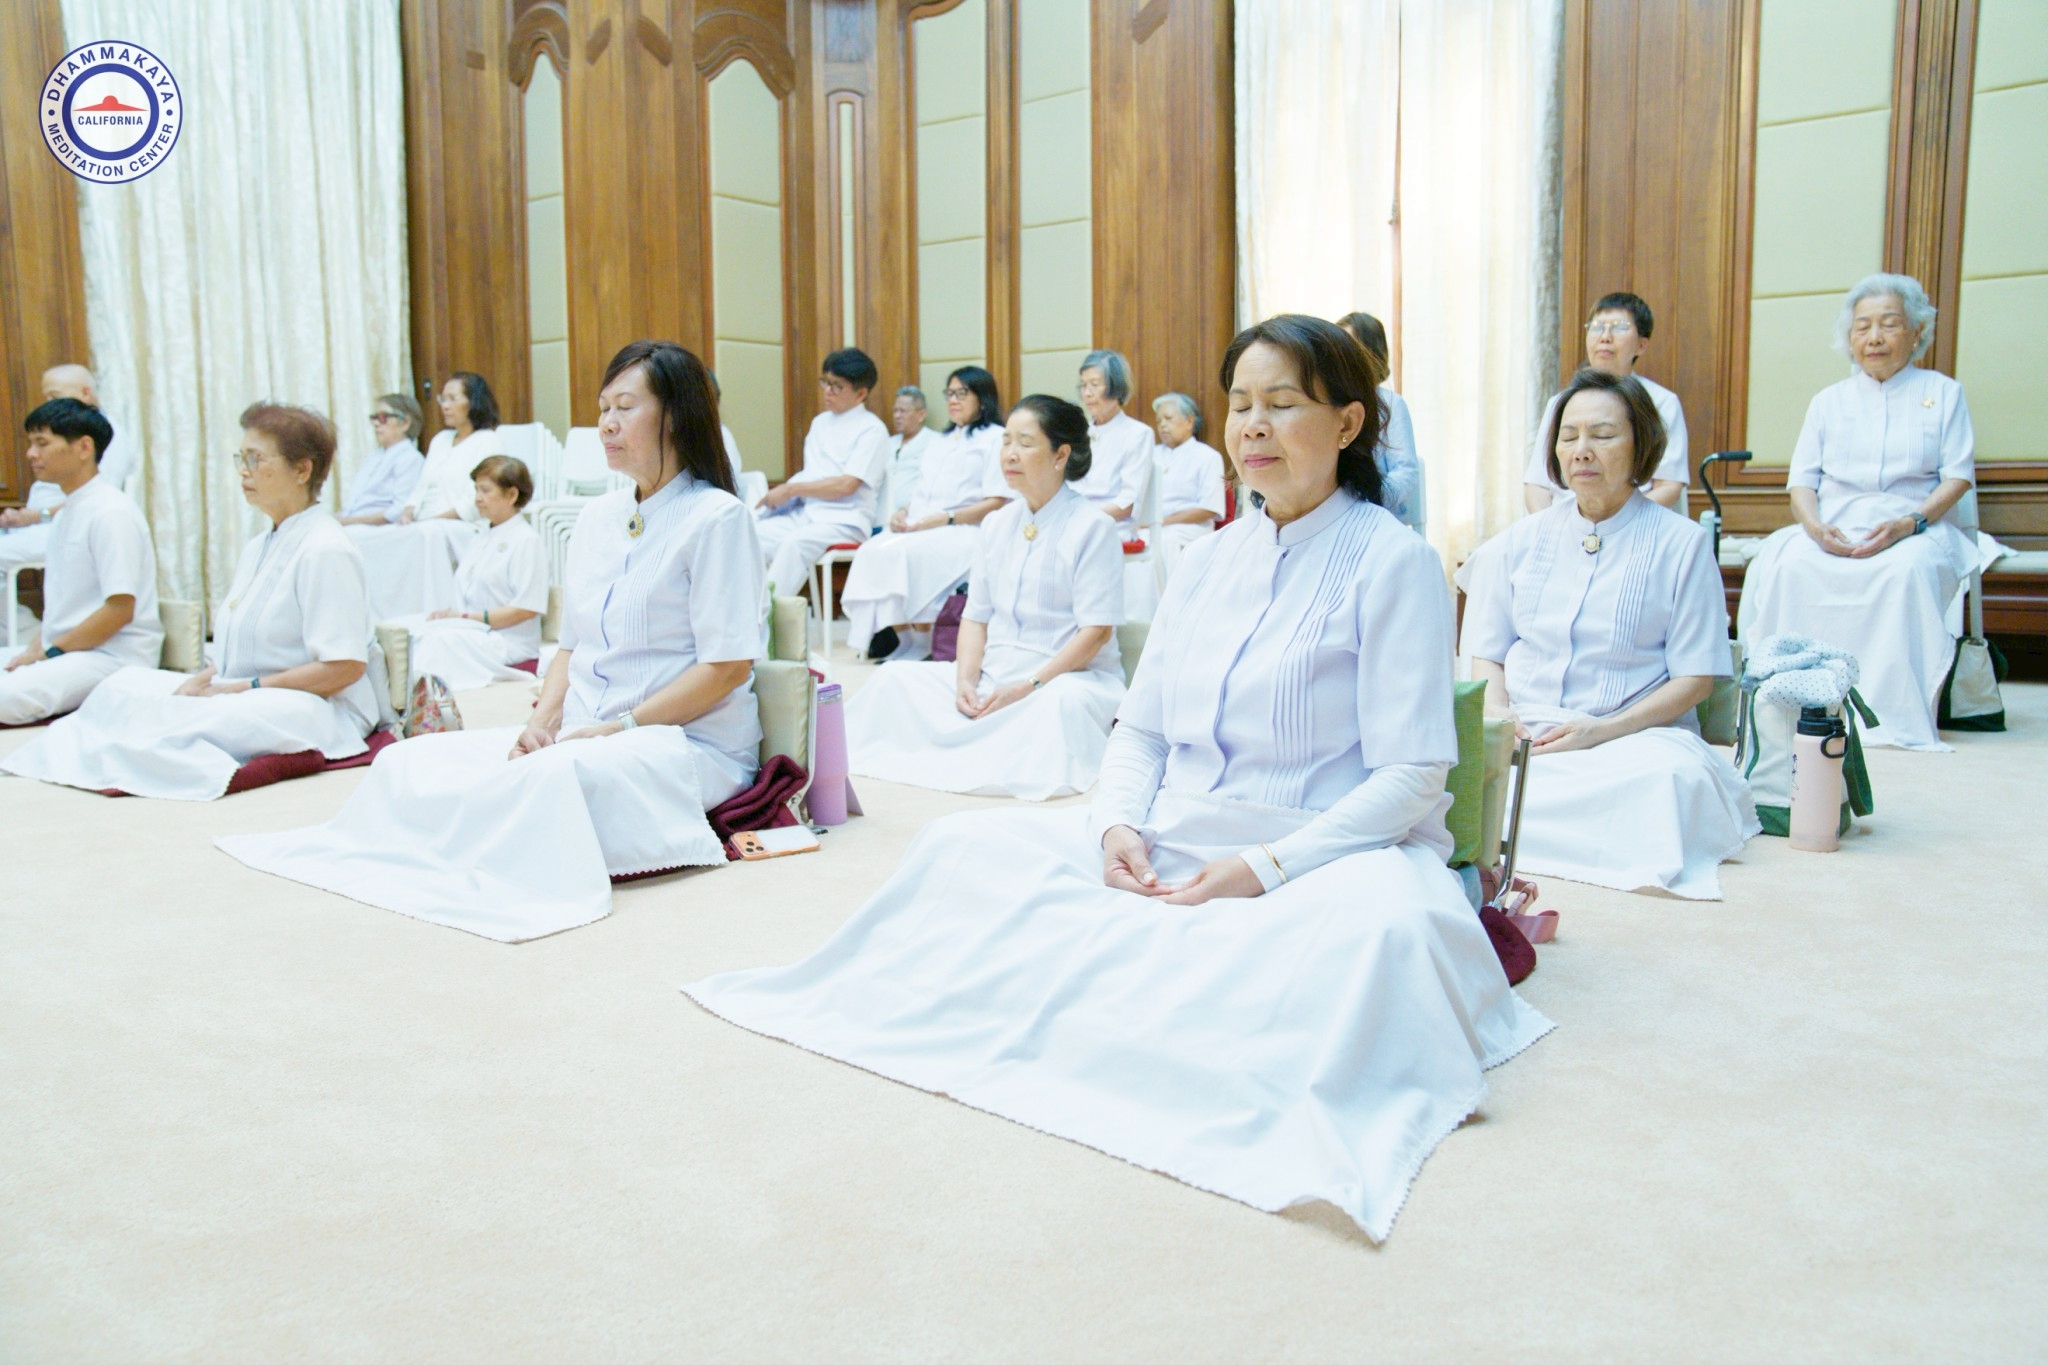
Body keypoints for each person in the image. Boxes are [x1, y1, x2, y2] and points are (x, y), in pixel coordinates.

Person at [688, 316, 1550, 1243]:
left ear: (1347, 423)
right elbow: (1139, 726)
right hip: (1177, 826)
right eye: (1242, 404)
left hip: (1331, 847)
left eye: (1281, 404)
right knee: (958, 852)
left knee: (1371, 944)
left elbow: (1415, 774)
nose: (1252, 426)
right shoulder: (1210, 558)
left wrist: (1265, 867)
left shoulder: (1398, 561)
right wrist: (1115, 829)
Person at [217, 342, 765, 943]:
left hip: (681, 743)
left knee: (549, 783)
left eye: (625, 407)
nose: (606, 423)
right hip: (587, 733)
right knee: (406, 760)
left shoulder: (716, 518)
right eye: (602, 406)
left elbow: (726, 667)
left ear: (676, 416)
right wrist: (547, 722)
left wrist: (620, 727)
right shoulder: (596, 519)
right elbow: (570, 645)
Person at [1463, 369, 1756, 899]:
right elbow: (1485, 651)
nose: (1581, 450)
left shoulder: (1681, 544)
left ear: (1641, 446)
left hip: (1634, 737)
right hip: (1527, 730)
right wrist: (1502, 717)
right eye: (1569, 436)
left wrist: (1602, 731)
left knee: (1664, 782)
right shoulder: (1518, 541)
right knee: (1446, 767)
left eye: (1602, 435)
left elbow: (1696, 678)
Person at [5, 404, 376, 800]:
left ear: (302, 470)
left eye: (255, 459)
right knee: (122, 690)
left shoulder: (326, 548)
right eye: (241, 458)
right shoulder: (259, 545)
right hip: (253, 691)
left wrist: (245, 686)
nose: (243, 471)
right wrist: (214, 676)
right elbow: (252, 644)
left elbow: (344, 666)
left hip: (315, 708)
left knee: (180, 724)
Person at [1737, 273, 1975, 751]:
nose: (1875, 337)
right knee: (1787, 566)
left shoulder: (1943, 392)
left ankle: (1891, 716)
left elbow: (1957, 477)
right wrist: (1814, 527)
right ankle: (1784, 706)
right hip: (1832, 525)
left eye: (1889, 324)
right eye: (1863, 326)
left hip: (1913, 527)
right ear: (1849, 338)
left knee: (1904, 572)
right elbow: (1802, 481)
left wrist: (1909, 524)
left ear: (1916, 332)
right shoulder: (1828, 402)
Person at [844, 394, 1124, 800]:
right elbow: (975, 618)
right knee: (892, 679)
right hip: (996, 673)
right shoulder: (996, 524)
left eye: (1025, 443)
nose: (1010, 453)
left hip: (1066, 678)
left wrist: (1028, 686)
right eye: (1006, 441)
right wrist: (964, 680)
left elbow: (1096, 633)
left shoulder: (1092, 527)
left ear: (1061, 454)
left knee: (1058, 707)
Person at [0, 400, 161, 724]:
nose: (31, 453)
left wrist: (49, 652)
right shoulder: (69, 510)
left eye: (42, 443)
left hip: (111, 658)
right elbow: (64, 608)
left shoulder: (111, 512)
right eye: (31, 443)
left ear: (84, 447)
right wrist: (36, 649)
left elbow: (119, 609)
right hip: (67, 651)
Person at [841, 368, 1008, 661]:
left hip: (964, 527)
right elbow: (921, 492)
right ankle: (904, 639)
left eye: (961, 393)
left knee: (908, 556)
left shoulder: (995, 438)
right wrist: (901, 513)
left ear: (982, 398)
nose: (953, 400)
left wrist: (947, 518)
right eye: (949, 394)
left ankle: (925, 641)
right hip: (922, 524)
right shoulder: (939, 441)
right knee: (872, 551)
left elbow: (997, 500)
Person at [348, 372, 503, 620]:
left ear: (472, 402)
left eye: (453, 398)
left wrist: (437, 518)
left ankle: (434, 614)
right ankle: (387, 616)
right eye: (443, 398)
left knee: (426, 533)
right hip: (425, 522)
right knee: (381, 538)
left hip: (463, 524)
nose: (445, 405)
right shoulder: (440, 440)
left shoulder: (487, 441)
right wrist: (409, 509)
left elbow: (478, 497)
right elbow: (421, 486)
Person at [390, 455, 548, 693]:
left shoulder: (527, 540)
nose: (477, 498)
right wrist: (453, 617)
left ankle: (420, 702)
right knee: (408, 628)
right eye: (476, 490)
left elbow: (526, 608)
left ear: (512, 495)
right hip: (474, 630)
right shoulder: (480, 536)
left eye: (485, 490)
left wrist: (466, 618)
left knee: (437, 641)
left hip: (508, 642)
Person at [1523, 293, 1689, 512]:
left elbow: (1669, 486)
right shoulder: (1560, 402)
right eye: (1597, 326)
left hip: (1631, 526)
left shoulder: (1662, 402)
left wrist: (1613, 526)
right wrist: (1549, 532)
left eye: (1619, 327)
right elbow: (1537, 484)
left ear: (1641, 345)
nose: (1605, 336)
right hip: (1564, 524)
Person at [754, 348, 891, 598]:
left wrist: (791, 489)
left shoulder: (872, 430)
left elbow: (846, 485)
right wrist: (781, 497)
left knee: (794, 545)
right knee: (751, 536)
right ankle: (740, 611)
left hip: (844, 521)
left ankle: (764, 622)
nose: (828, 391)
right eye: (825, 383)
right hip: (807, 514)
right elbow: (812, 473)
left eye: (837, 386)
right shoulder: (820, 423)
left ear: (861, 393)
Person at [0, 366, 142, 587]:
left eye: (54, 396)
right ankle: (17, 622)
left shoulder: (111, 509)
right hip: (51, 524)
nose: (48, 403)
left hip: (58, 525)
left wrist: (37, 515)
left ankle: (19, 623)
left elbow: (95, 495)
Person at [1337, 311, 1425, 530]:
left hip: (1376, 519)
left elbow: (1407, 471)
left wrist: (1368, 501)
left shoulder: (1391, 404)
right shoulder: (1328, 404)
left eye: (1350, 348)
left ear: (1371, 354)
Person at [1148, 391, 1227, 581]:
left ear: (1189, 421)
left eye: (1168, 418)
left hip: (1190, 530)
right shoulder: (1151, 454)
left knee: (1164, 540)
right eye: (1159, 421)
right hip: (1153, 527)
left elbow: (1209, 508)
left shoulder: (1208, 457)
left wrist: (1161, 523)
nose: (1162, 426)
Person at [1072, 350, 1152, 534]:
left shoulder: (1137, 434)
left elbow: (1128, 503)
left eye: (1095, 385)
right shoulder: (1080, 432)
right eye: (1083, 385)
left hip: (1112, 527)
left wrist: (1083, 519)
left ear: (1116, 387)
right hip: (1074, 521)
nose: (1087, 394)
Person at [337, 394, 427, 526]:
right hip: (354, 525)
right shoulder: (373, 456)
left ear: (405, 423)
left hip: (382, 530)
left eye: (383, 417)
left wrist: (347, 522)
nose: (376, 423)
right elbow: (353, 505)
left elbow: (399, 510)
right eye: (374, 417)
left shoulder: (410, 459)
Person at [883, 386, 941, 520]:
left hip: (914, 517)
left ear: (921, 415)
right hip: (881, 518)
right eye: (895, 411)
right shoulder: (887, 443)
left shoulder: (936, 442)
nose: (897, 416)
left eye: (903, 411)